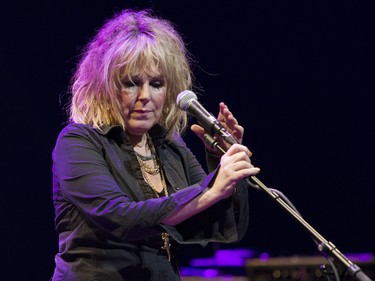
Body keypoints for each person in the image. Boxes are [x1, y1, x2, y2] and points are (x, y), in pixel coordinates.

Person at [51, 8, 260, 281]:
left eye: (157, 84)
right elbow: (119, 217)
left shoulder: (170, 147)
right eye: (131, 83)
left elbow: (218, 225)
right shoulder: (79, 142)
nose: (145, 96)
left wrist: (221, 157)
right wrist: (210, 190)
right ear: (104, 87)